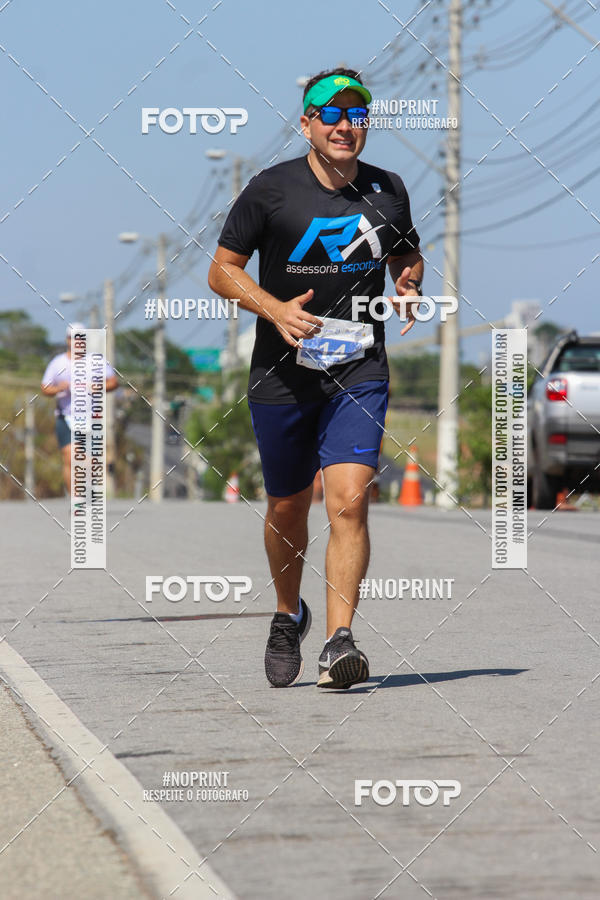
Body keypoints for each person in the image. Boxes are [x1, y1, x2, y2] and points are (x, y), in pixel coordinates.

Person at [208, 67, 424, 689]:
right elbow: (222, 271)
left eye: (356, 115)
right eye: (330, 115)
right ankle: (286, 615)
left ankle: (339, 640)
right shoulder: (269, 190)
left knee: (349, 500)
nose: (343, 126)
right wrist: (274, 309)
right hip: (283, 371)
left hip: (360, 366)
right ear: (306, 123)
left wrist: (409, 282)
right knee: (287, 503)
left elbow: (405, 250)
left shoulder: (388, 190)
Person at [41, 322, 118, 494]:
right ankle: (77, 500)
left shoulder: (95, 361)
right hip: (65, 417)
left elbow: (113, 382)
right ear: (67, 340)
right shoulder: (57, 363)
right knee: (70, 457)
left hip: (90, 418)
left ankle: (87, 487)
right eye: (73, 338)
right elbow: (45, 387)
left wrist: (99, 387)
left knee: (87, 461)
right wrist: (60, 387)